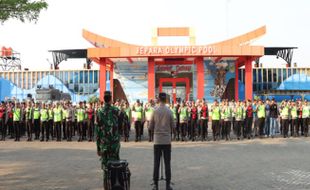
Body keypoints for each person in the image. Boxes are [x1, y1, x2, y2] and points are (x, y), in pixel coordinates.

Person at [95, 91, 121, 189]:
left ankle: (106, 186)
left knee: (106, 167)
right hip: (114, 143)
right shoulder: (116, 110)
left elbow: (97, 131)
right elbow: (124, 121)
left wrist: (98, 147)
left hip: (104, 144)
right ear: (111, 98)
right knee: (115, 165)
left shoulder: (99, 112)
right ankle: (114, 185)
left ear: (103, 99)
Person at [150, 92, 175, 190]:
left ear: (159, 99)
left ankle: (155, 184)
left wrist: (156, 130)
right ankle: (168, 185)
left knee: (156, 163)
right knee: (167, 163)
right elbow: (173, 126)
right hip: (166, 141)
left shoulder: (155, 111)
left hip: (157, 140)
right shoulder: (169, 111)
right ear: (166, 100)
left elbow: (151, 126)